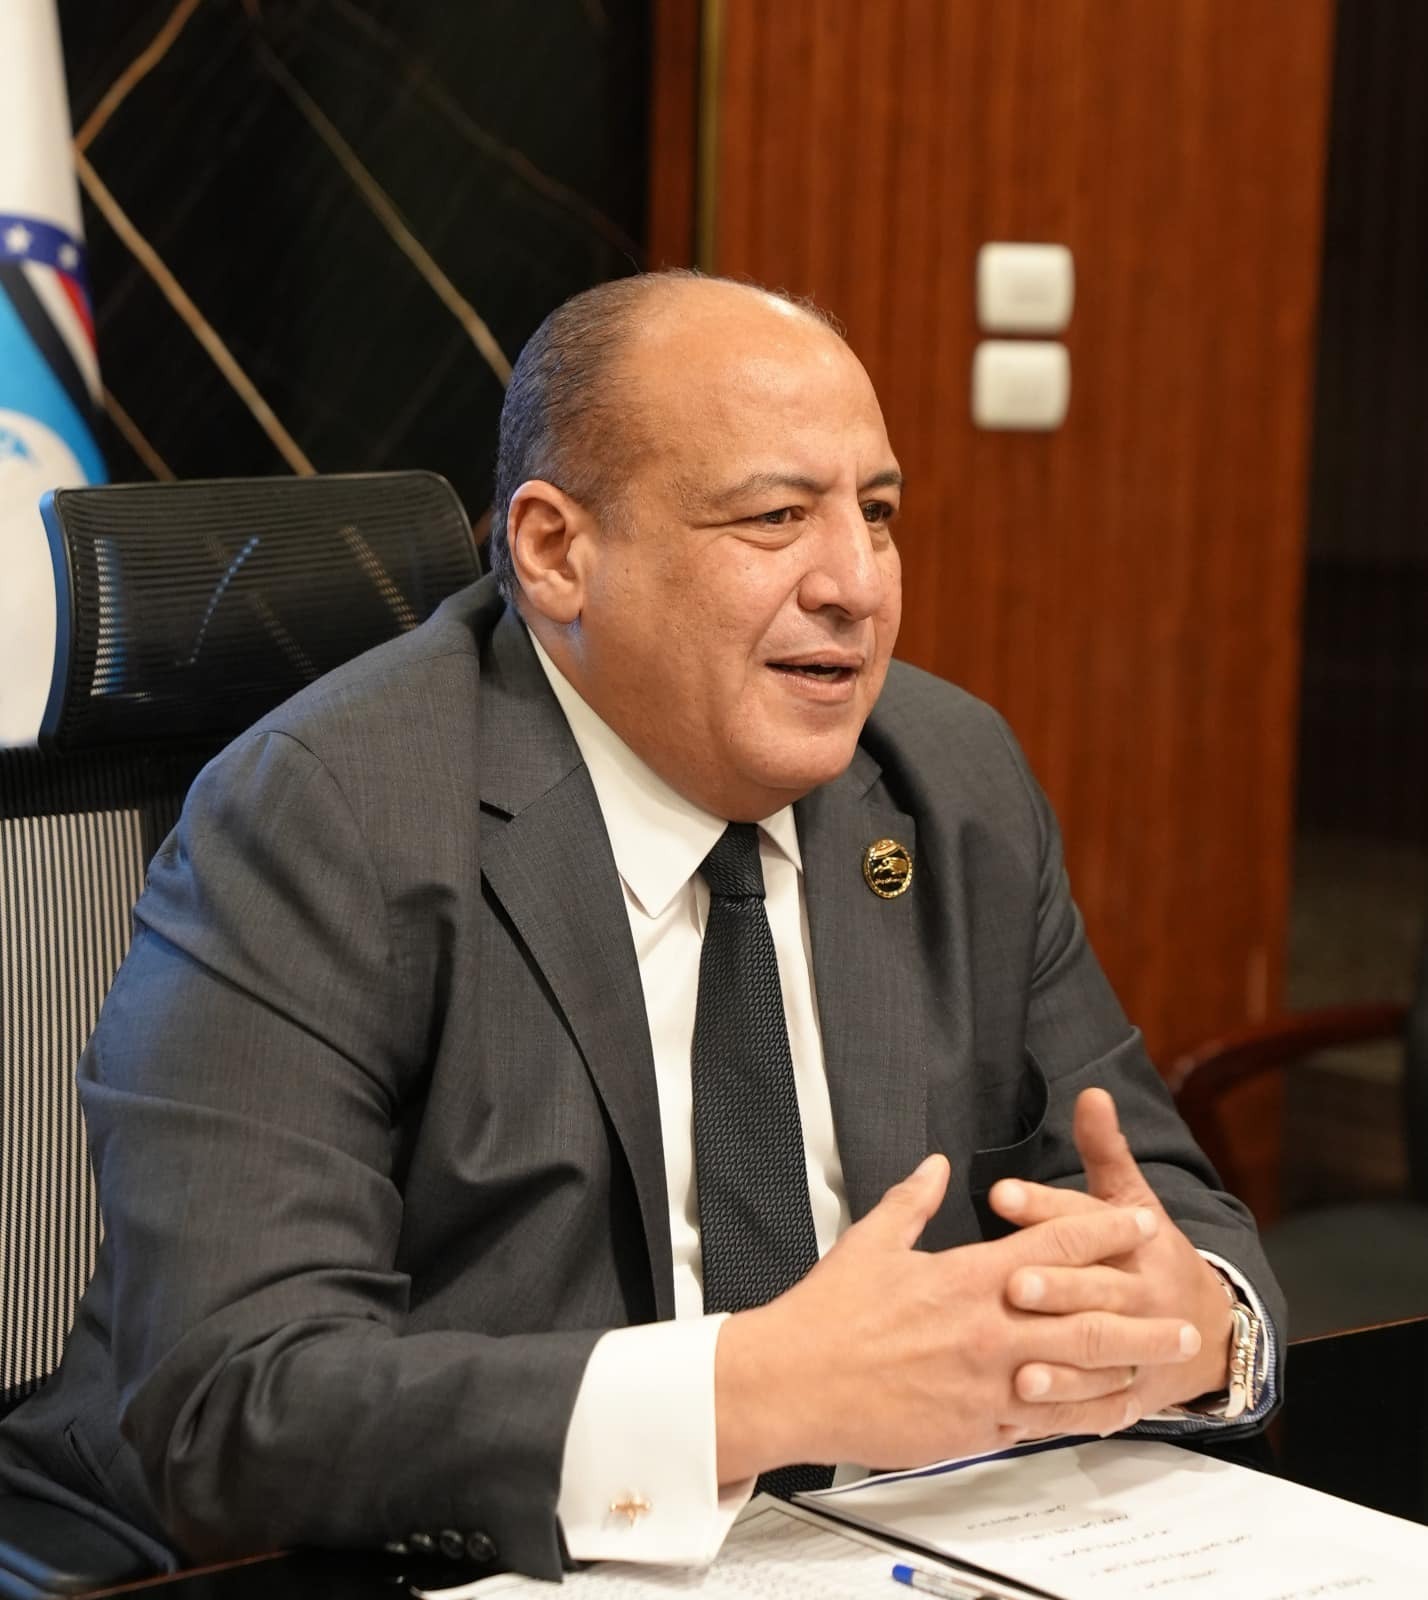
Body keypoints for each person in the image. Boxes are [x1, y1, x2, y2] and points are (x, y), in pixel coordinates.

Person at [0, 272, 1282, 1580]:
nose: (857, 584)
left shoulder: (949, 778)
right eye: (776, 516)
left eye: (878, 513)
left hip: (867, 1548)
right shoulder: (325, 820)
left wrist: (1190, 1319)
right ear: (558, 551)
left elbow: (1165, 1207)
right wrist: (755, 1392)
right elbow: (233, 1400)